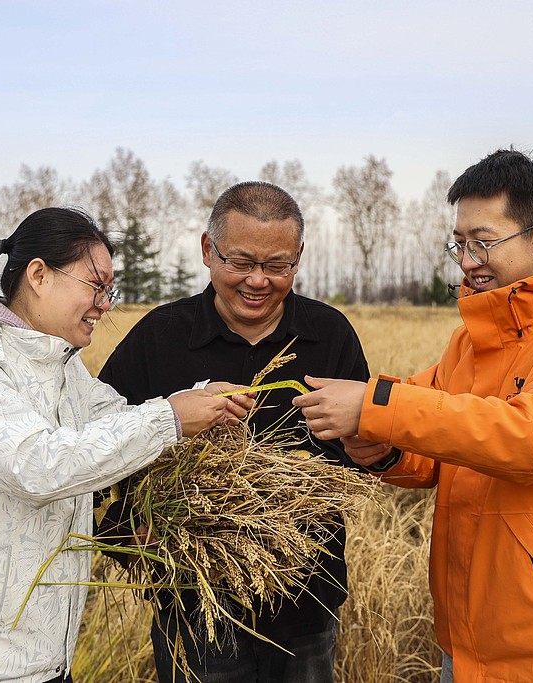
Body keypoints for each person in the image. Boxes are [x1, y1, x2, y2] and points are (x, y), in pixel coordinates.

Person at [293, 150, 533, 682]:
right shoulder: (471, 343)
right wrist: (382, 447)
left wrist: (375, 406)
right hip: (466, 644)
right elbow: (430, 444)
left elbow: (532, 440)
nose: (467, 260)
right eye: (458, 243)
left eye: (483, 242)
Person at [0, 207, 251, 683]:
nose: (104, 304)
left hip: (39, 659)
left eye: (110, 291)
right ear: (38, 275)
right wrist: (171, 418)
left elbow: (115, 424)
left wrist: (199, 399)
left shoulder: (62, 367)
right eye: (95, 285)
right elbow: (37, 466)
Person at [97, 181, 370, 683]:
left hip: (305, 603)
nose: (258, 281)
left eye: (277, 265)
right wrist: (124, 529)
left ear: (299, 257)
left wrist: (373, 435)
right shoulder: (159, 337)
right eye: (241, 262)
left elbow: (361, 461)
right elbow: (94, 448)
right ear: (208, 249)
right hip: (193, 605)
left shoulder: (330, 335)